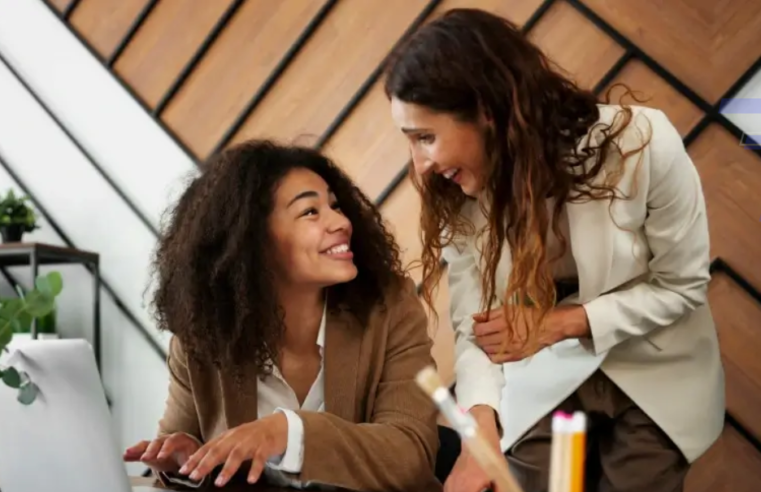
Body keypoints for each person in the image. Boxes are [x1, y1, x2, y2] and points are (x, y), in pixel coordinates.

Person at [383, 8, 724, 492]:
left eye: (426, 138)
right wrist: (481, 428)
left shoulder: (643, 144)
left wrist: (557, 324)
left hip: (659, 365)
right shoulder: (461, 200)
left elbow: (682, 286)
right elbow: (475, 327)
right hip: (548, 379)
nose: (419, 166)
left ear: (486, 111)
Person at [123, 140, 443, 492]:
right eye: (310, 212)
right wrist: (186, 464)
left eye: (335, 206)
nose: (341, 221)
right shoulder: (204, 333)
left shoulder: (390, 308)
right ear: (252, 240)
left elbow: (410, 455)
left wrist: (288, 434)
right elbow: (173, 463)